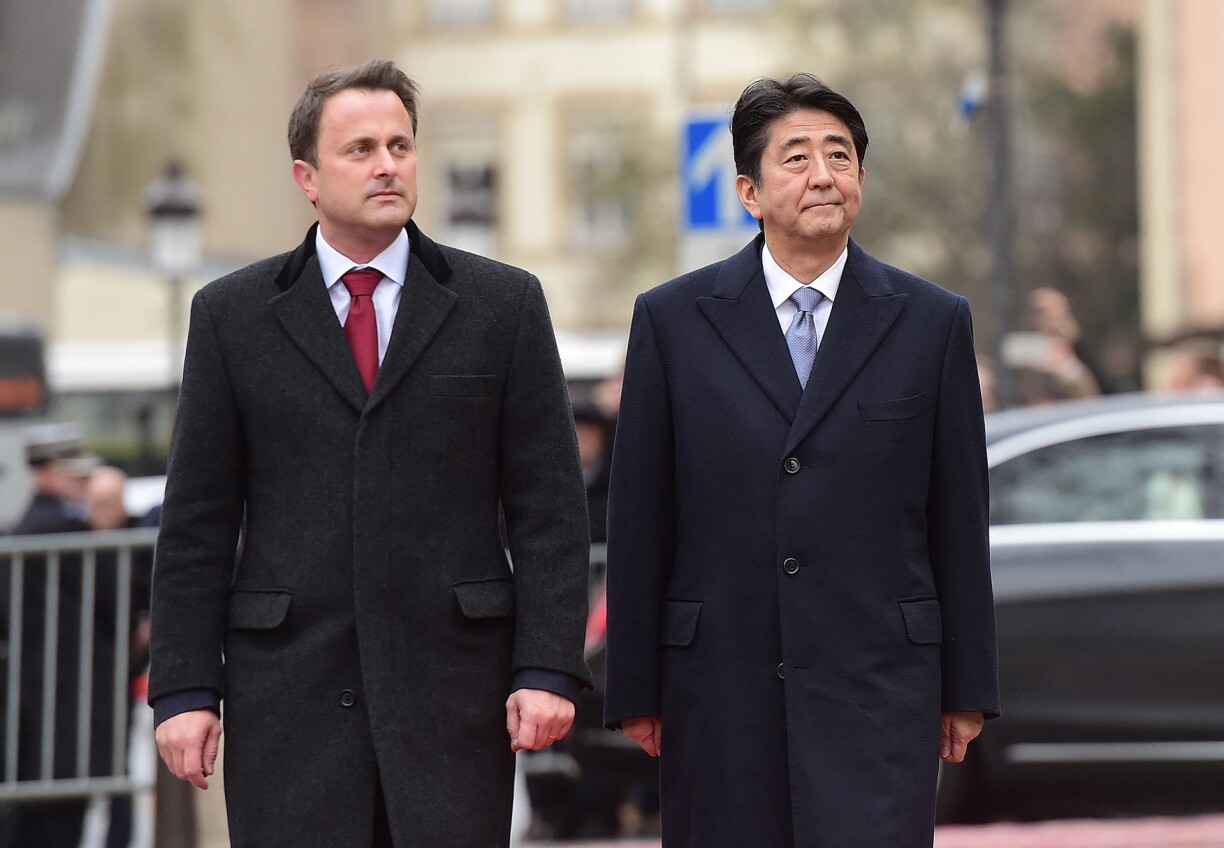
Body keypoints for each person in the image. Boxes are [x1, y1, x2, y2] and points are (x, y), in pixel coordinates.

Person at [148, 59, 591, 848]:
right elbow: (197, 522)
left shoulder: (505, 305)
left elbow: (549, 509)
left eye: (400, 145)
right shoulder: (231, 317)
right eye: (360, 149)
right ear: (306, 176)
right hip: (289, 692)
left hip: (453, 691)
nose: (387, 165)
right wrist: (184, 688)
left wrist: (548, 665)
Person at [602, 74, 1000, 848]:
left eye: (841, 156)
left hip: (880, 683)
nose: (824, 175)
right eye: (797, 158)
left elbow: (959, 514)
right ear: (748, 191)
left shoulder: (932, 322)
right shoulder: (673, 321)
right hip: (718, 684)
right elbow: (640, 512)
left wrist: (968, 687)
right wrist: (636, 688)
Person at [0, 424, 114, 848]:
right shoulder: (61, 529)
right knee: (57, 819)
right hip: (65, 703)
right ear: (47, 473)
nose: (84, 483)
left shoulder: (30, 527)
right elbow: (113, 596)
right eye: (75, 474)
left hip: (44, 704)